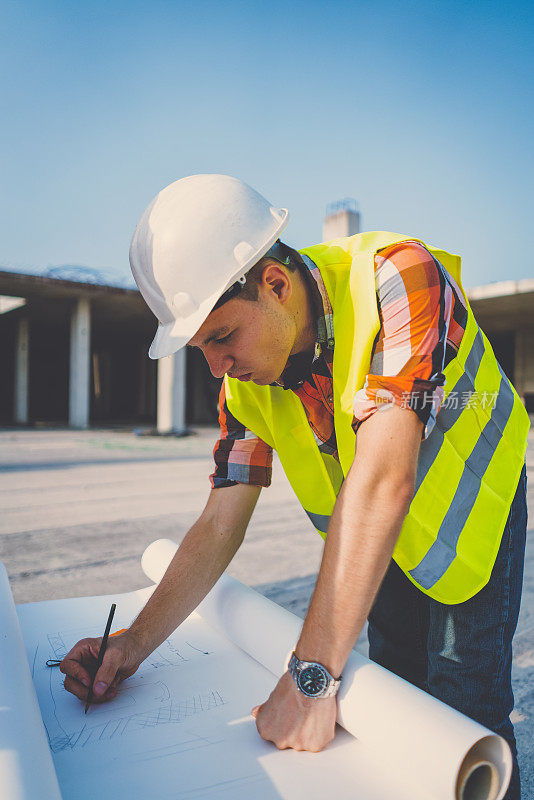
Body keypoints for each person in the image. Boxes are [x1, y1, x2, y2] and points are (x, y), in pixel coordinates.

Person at [60, 175, 529, 799]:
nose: (217, 366)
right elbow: (220, 519)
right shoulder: (244, 386)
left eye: (222, 336)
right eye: (201, 348)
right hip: (374, 538)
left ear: (275, 285)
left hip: (470, 518)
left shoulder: (398, 279)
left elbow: (387, 475)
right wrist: (134, 643)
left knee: (467, 719)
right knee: (397, 696)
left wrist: (311, 676)